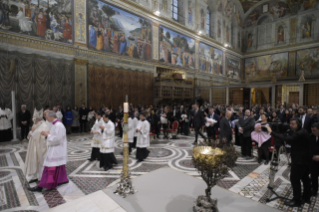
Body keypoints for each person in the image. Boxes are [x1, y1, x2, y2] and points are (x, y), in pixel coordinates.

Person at [267, 118, 311, 207]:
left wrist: (272, 132)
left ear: (298, 124)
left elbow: (288, 139)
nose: (290, 125)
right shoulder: (301, 131)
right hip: (305, 159)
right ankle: (306, 197)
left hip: (299, 161)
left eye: (293, 124)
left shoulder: (300, 133)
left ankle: (297, 201)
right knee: (305, 179)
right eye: (290, 123)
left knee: (295, 179)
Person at [28, 111, 69, 192]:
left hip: (56, 149)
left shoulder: (58, 125)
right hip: (56, 149)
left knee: (49, 168)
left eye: (46, 117)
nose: (46, 118)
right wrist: (48, 134)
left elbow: (57, 139)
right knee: (58, 167)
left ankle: (42, 186)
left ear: (51, 117)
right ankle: (62, 180)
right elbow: (55, 136)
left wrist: (47, 135)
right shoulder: (55, 124)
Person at [24, 109, 49, 184]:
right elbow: (32, 133)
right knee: (34, 160)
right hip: (33, 147)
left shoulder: (44, 124)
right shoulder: (35, 125)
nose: (33, 121)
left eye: (34, 119)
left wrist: (33, 133)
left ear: (37, 119)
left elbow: (42, 135)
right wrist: (31, 132)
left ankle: (41, 176)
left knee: (39, 161)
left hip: (39, 147)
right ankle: (35, 176)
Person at [310, 123, 319, 197]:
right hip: (313, 160)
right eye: (312, 130)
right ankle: (314, 190)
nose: (313, 132)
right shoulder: (311, 136)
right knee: (313, 176)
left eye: (314, 130)